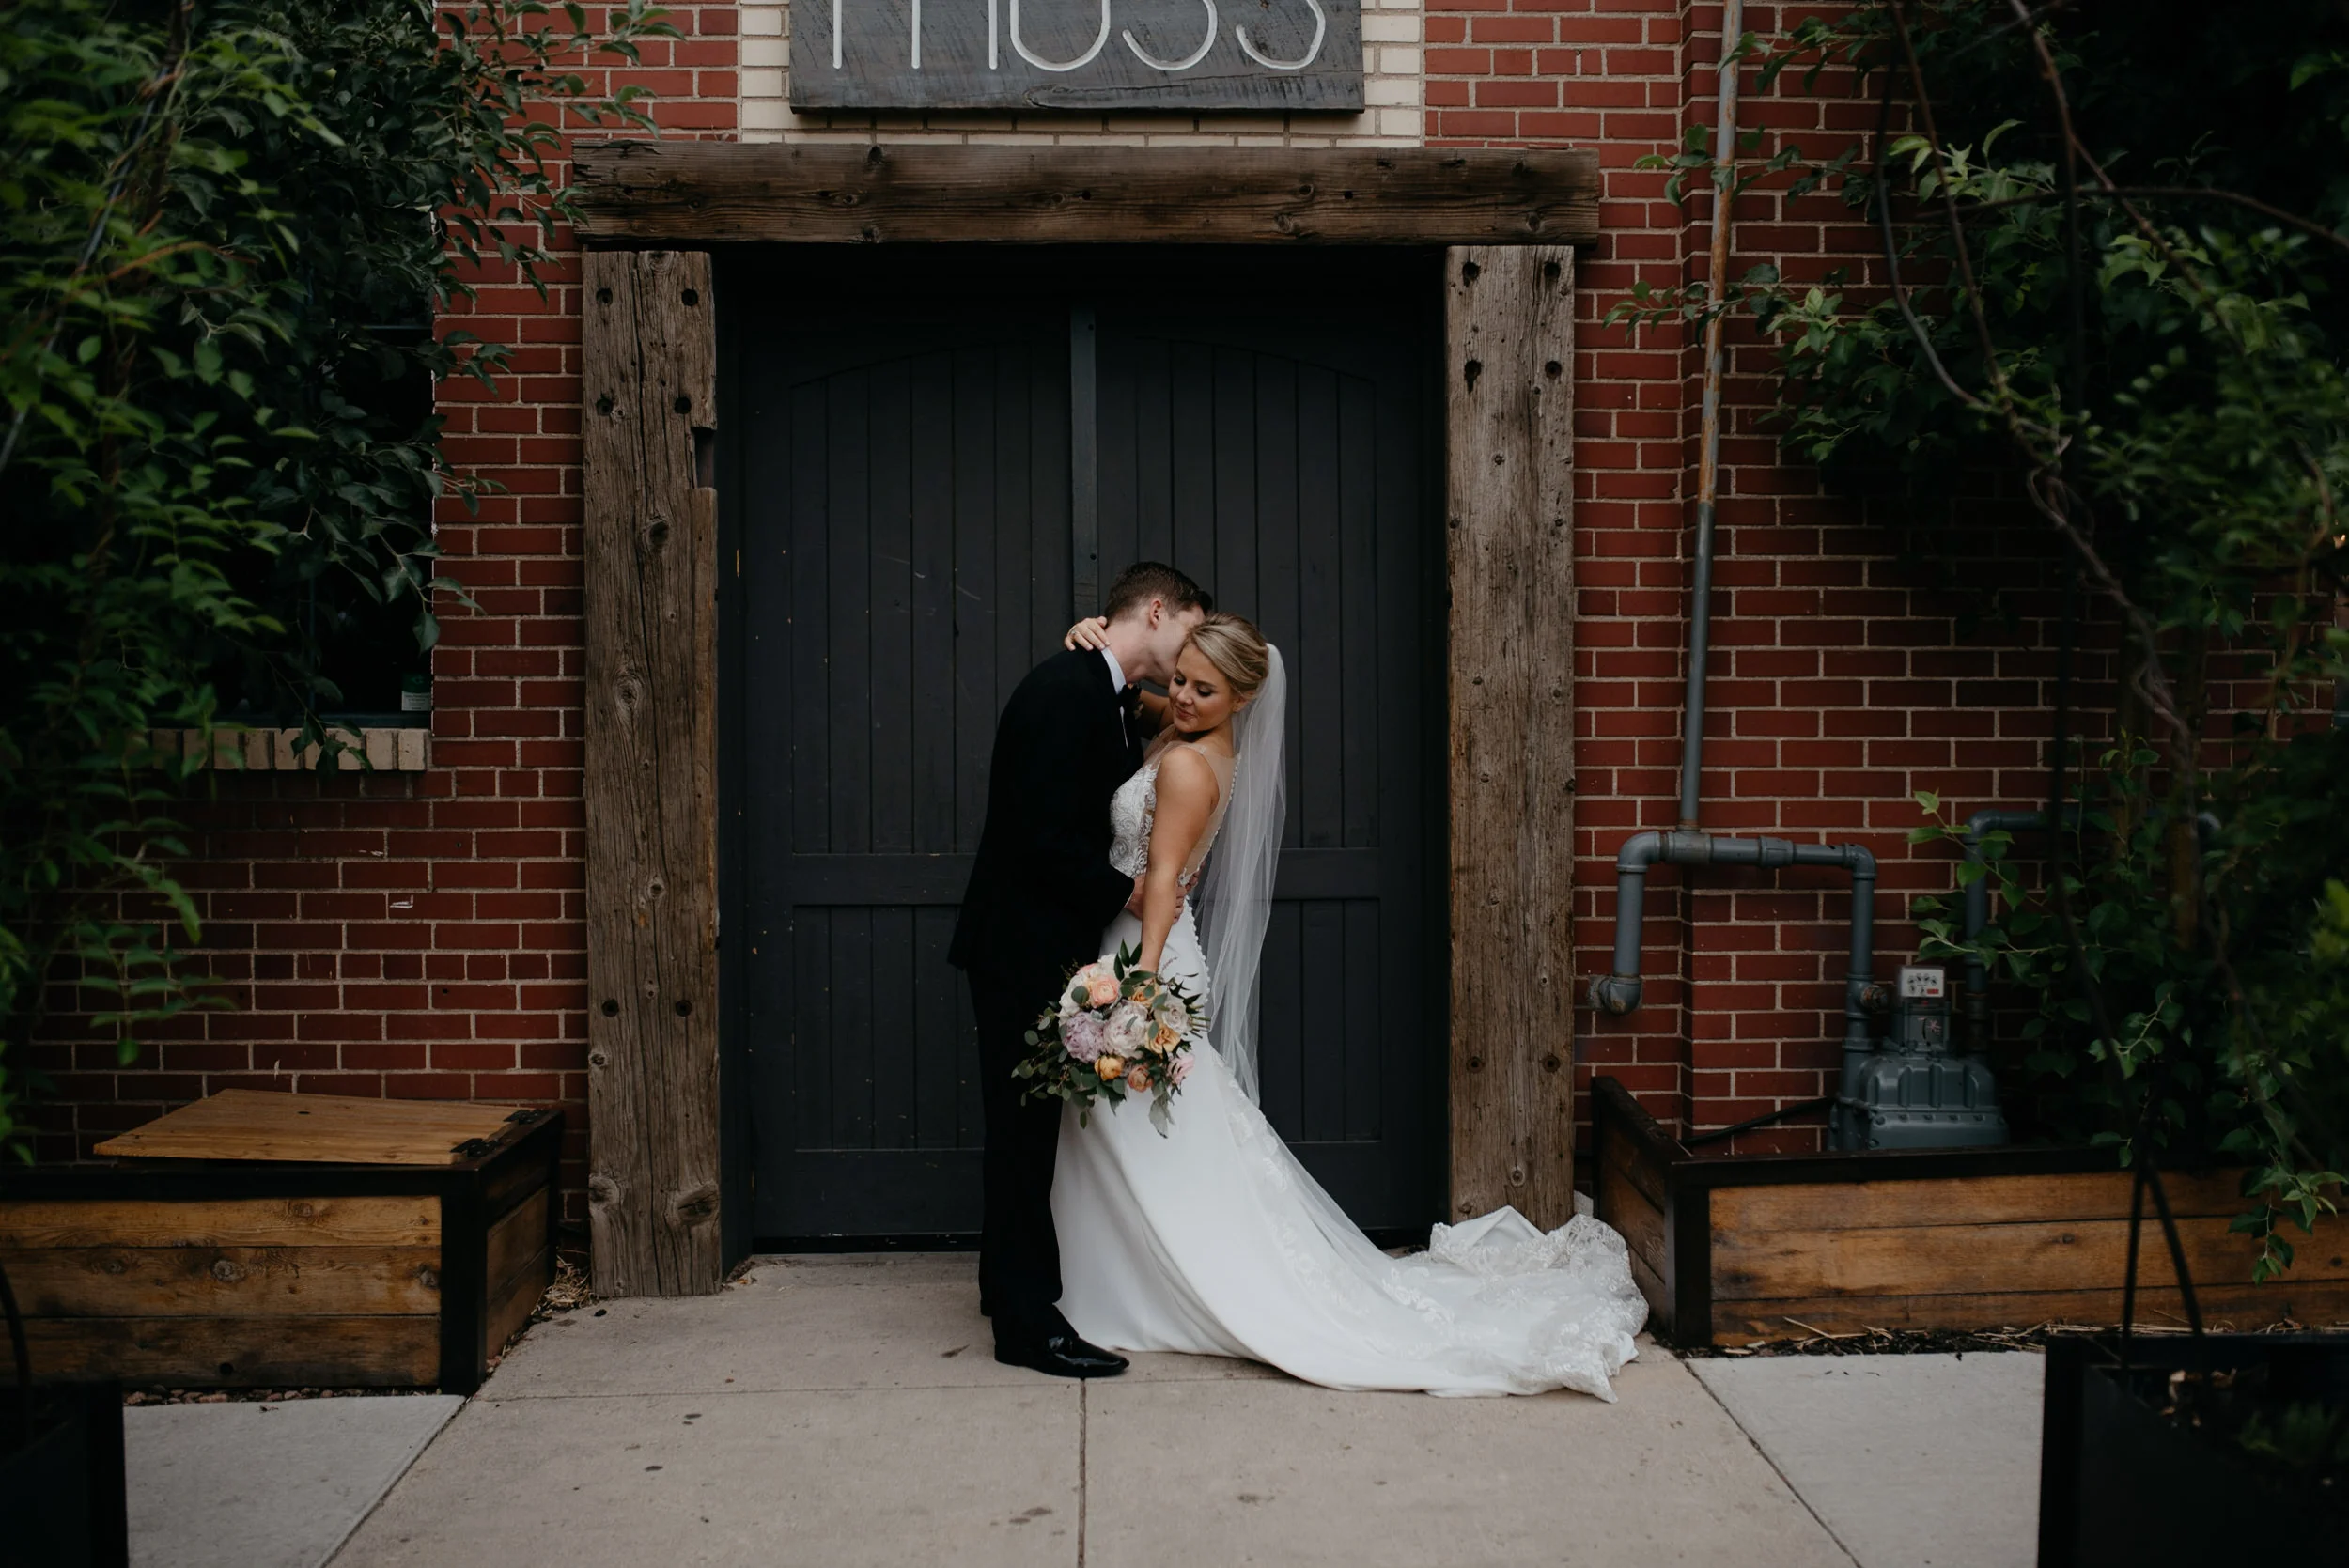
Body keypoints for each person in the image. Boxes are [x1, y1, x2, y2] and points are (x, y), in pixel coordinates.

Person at [1052, 610, 1650, 1399]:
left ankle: (1169, 1286)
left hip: (1147, 951)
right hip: (1143, 944)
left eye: (1205, 689)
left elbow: (1162, 879)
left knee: (1152, 1125)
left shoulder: (1193, 768)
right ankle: (1126, 1280)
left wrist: (1141, 981)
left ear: (1241, 699)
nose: (1184, 697)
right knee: (1148, 1129)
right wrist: (1094, 647)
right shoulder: (1199, 735)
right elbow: (1142, 699)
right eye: (1182, 678)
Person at [949, 562, 1210, 1379]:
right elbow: (1039, 837)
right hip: (1019, 946)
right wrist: (1129, 889)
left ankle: (1007, 1291)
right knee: (1022, 1140)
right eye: (1189, 629)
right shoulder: (1064, 690)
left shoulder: (1105, 692)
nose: (1192, 650)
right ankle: (1027, 1326)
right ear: (1157, 610)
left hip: (1042, 943)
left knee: (1024, 1137)